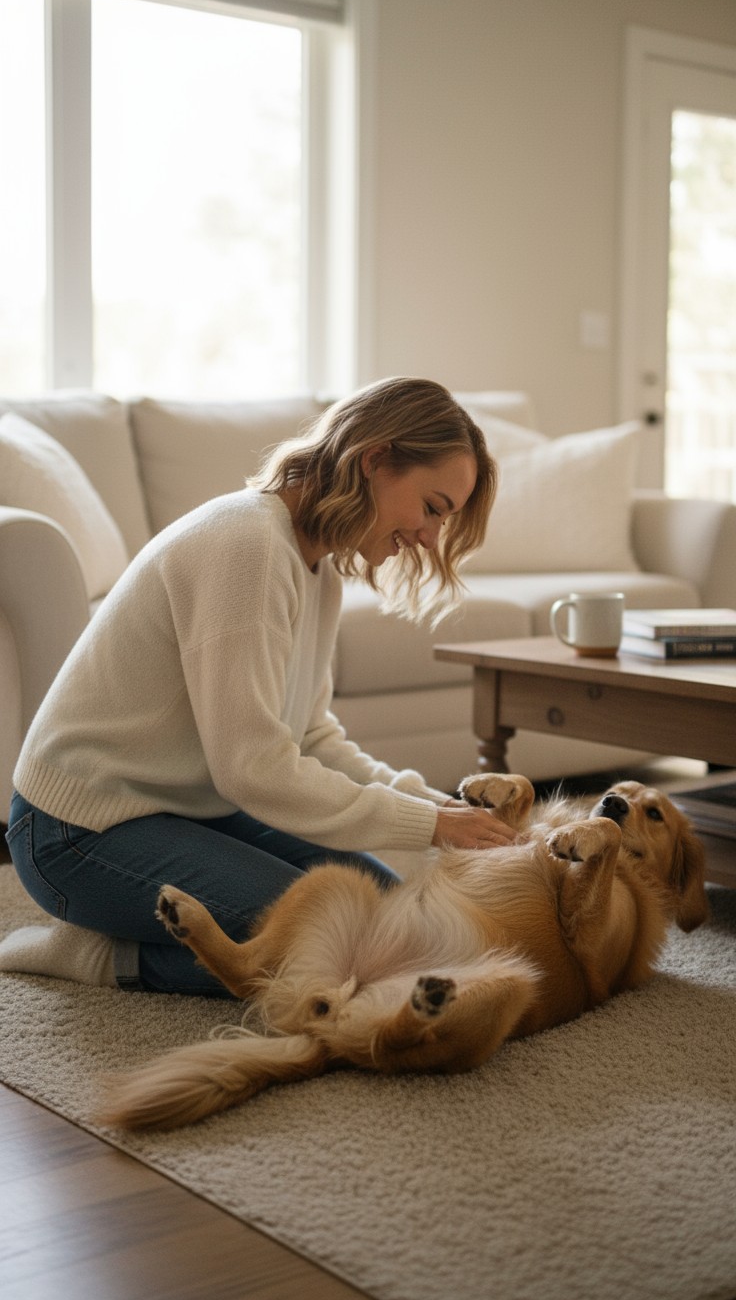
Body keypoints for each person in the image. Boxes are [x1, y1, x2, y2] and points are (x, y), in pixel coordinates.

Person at [0, 376, 515, 996]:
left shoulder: (318, 567)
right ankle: (95, 955)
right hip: (77, 832)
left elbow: (312, 737)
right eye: (432, 507)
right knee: (336, 941)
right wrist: (425, 825)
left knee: (390, 917)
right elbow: (253, 769)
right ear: (376, 460)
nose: (430, 537)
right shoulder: (247, 545)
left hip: (188, 811)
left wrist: (435, 807)